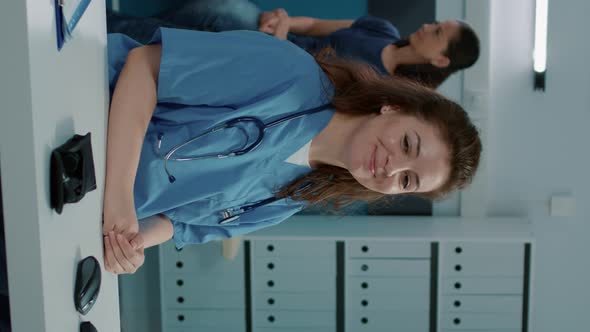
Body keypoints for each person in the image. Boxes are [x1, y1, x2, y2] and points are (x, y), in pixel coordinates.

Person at [102, 27, 482, 275]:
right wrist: (119, 200)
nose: (392, 166)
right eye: (407, 144)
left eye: (407, 180)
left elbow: (185, 223)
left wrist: (133, 244)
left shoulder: (296, 196)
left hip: (91, 201)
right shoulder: (289, 74)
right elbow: (146, 67)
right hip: (83, 112)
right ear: (393, 106)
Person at [107, 2, 480, 87]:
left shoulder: (381, 86)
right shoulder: (381, 27)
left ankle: (104, 40)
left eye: (437, 33)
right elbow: (316, 25)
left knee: (175, 40)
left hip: (271, 66)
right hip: (272, 37)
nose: (428, 26)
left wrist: (280, 40)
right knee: (222, 11)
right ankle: (104, 23)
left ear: (442, 59)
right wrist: (283, 19)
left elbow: (306, 84)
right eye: (435, 23)